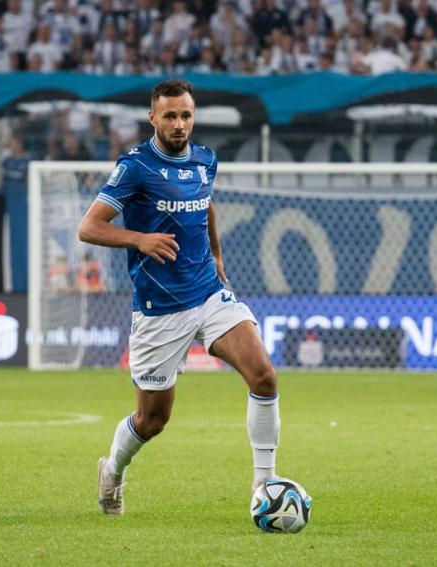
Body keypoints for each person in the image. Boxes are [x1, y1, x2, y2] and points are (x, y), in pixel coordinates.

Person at [78, 79, 280, 517]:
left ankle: (264, 488)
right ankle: (112, 469)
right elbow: (89, 227)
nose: (178, 124)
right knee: (153, 421)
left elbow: (205, 205)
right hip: (159, 310)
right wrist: (140, 240)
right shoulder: (135, 166)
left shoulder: (205, 160)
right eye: (169, 115)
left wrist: (218, 256)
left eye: (185, 115)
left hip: (208, 292)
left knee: (263, 375)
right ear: (153, 118)